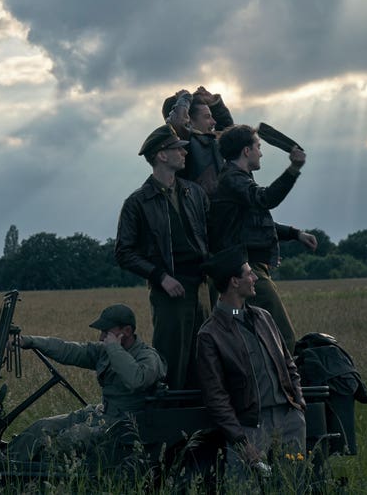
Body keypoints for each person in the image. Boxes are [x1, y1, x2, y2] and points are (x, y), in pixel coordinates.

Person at [197, 245, 306, 478]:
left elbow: (289, 364)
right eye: (249, 273)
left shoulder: (263, 317)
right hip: (249, 427)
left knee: (293, 485)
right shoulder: (210, 335)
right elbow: (215, 397)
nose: (255, 277)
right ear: (234, 282)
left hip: (288, 419)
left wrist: (297, 406)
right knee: (244, 487)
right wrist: (240, 440)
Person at [115, 124, 209, 389]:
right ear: (161, 155)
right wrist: (161, 277)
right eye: (177, 148)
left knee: (204, 358)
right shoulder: (137, 202)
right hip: (170, 292)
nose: (184, 153)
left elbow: (209, 235)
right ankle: (169, 425)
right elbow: (124, 252)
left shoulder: (194, 193)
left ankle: (202, 427)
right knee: (171, 362)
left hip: (202, 287)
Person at [8, 304, 166, 461]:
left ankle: (36, 478)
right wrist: (29, 341)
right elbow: (69, 350)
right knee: (41, 427)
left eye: (106, 332)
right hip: (100, 413)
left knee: (66, 442)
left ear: (127, 331)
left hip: (122, 423)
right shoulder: (107, 350)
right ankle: (3, 466)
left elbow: (136, 380)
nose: (101, 337)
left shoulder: (148, 357)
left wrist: (114, 349)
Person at [208, 124, 318, 349]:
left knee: (253, 335)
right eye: (258, 147)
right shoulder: (233, 179)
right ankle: (288, 382)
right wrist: (294, 169)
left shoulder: (237, 180)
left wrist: (296, 234)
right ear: (246, 151)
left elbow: (256, 224)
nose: (261, 152)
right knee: (282, 336)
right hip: (246, 269)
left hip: (246, 268)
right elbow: (266, 199)